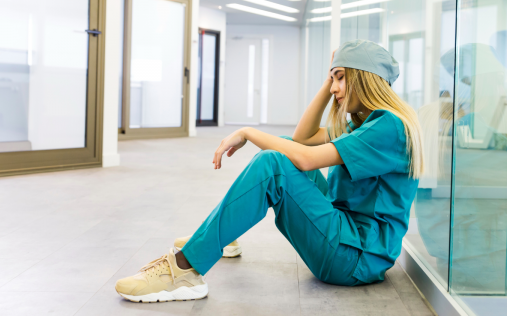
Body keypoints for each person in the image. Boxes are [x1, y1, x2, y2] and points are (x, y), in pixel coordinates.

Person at [114, 39, 425, 303]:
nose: (335, 89)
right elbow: (302, 139)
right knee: (285, 148)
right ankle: (222, 233)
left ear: (364, 77)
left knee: (274, 163)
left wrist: (249, 132)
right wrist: (330, 77)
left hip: (355, 258)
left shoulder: (388, 127)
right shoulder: (365, 123)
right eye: (333, 79)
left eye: (342, 78)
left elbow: (304, 159)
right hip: (348, 241)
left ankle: (184, 271)